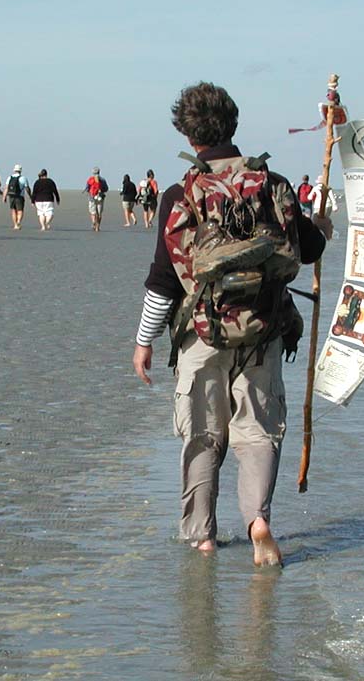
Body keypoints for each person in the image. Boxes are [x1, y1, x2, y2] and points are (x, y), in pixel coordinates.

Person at [132, 82, 333, 566]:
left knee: (202, 434)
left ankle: (203, 536)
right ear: (234, 125)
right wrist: (322, 224)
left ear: (187, 132)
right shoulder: (275, 185)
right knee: (258, 431)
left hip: (199, 332)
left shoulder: (182, 193)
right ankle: (258, 520)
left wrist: (144, 341)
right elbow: (309, 250)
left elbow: (163, 278)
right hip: (264, 328)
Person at [3, 164, 31, 230]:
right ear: (20, 170)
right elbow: (27, 188)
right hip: (20, 196)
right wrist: (30, 196)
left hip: (11, 196)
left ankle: (15, 224)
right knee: (20, 210)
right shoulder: (23, 178)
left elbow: (6, 188)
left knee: (13, 210)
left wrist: (4, 196)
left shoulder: (9, 177)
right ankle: (18, 221)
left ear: (14, 170)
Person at [84, 166, 108, 232]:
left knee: (93, 212)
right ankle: (97, 227)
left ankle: (94, 222)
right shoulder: (103, 180)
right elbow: (106, 189)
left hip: (92, 197)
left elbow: (87, 189)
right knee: (99, 213)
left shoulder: (90, 179)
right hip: (100, 198)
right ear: (99, 172)